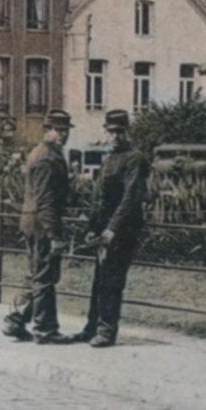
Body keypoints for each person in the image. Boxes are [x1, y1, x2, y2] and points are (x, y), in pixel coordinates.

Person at [75, 109, 148, 347]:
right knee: (99, 279)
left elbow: (131, 197)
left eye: (120, 132)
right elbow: (100, 198)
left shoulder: (134, 159)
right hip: (105, 229)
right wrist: (92, 227)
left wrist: (112, 229)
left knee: (112, 280)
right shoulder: (108, 160)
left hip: (123, 230)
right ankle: (91, 327)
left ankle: (107, 330)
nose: (115, 136)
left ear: (127, 132)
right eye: (111, 131)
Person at [2, 110, 74, 344]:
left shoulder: (45, 153)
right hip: (42, 224)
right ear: (48, 131)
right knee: (44, 276)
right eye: (59, 130)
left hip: (34, 221)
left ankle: (15, 320)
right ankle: (45, 329)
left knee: (36, 274)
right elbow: (45, 199)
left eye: (65, 131)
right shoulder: (46, 157)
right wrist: (54, 235)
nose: (63, 135)